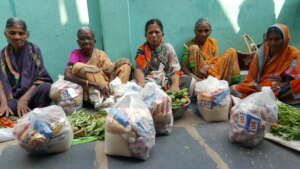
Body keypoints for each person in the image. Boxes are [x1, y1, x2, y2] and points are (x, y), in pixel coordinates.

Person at [231, 24, 300, 103]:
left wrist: (270, 89)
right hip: (260, 85)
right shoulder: (262, 52)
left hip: (280, 89)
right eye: (270, 39)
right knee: (234, 89)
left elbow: (290, 81)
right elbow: (252, 77)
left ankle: (270, 97)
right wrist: (258, 87)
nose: (273, 43)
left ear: (285, 39)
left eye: (277, 39)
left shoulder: (293, 54)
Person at [64, 26, 131, 107]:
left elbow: (109, 71)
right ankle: (107, 97)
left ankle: (115, 93)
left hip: (106, 84)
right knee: (78, 66)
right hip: (92, 88)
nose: (86, 41)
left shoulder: (100, 54)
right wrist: (95, 84)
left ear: (94, 41)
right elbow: (67, 75)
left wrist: (118, 65)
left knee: (125, 64)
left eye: (89, 38)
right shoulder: (75, 54)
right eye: (82, 39)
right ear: (78, 42)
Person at [0, 17, 53, 117]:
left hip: (31, 94)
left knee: (46, 87)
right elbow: (1, 81)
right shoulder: (3, 55)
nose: (17, 37)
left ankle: (35, 111)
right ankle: (25, 112)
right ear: (5, 34)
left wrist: (24, 99)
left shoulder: (33, 50)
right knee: (8, 109)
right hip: (13, 98)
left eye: (21, 33)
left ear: (27, 35)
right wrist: (4, 103)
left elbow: (42, 77)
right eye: (12, 33)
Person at [135, 19, 194, 93]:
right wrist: (142, 85)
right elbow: (139, 70)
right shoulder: (142, 50)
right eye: (150, 33)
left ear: (162, 34)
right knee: (133, 87)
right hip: (149, 81)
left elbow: (175, 70)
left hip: (166, 80)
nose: (153, 35)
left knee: (190, 81)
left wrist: (175, 85)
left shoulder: (168, 48)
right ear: (145, 35)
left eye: (157, 32)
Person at [181, 18, 241, 84]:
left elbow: (214, 60)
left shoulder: (213, 42)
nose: (203, 34)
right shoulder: (188, 45)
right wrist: (195, 78)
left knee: (232, 51)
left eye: (206, 31)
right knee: (194, 48)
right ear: (195, 31)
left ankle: (231, 83)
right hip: (200, 75)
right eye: (200, 31)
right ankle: (206, 80)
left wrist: (207, 66)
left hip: (213, 72)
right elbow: (184, 67)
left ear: (211, 31)